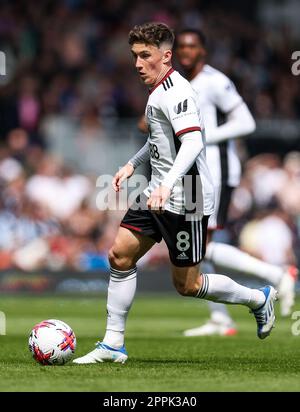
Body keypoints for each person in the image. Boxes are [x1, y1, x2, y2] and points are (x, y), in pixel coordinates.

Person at [73, 22, 277, 365]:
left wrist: (168, 184)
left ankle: (258, 298)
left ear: (166, 56)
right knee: (120, 255)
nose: (137, 63)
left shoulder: (178, 92)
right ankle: (112, 345)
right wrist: (131, 165)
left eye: (145, 56)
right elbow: (158, 140)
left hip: (188, 198)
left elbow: (194, 142)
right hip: (158, 191)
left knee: (188, 285)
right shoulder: (157, 90)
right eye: (134, 56)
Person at [174, 29, 297, 336]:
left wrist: (202, 136)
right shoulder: (178, 83)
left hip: (215, 170)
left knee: (199, 244)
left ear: (203, 50)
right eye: (182, 47)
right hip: (191, 172)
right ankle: (223, 316)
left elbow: (247, 122)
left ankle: (274, 276)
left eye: (193, 46)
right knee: (194, 245)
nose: (187, 51)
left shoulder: (216, 81)